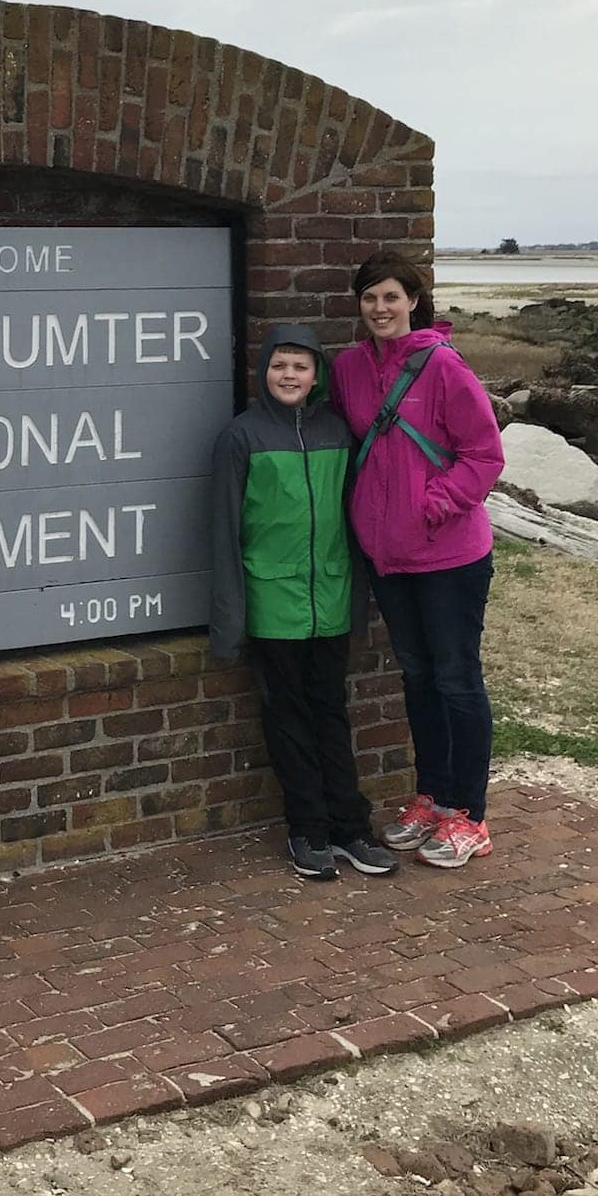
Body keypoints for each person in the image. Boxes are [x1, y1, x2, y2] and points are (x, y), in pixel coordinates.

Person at [330, 251, 504, 870]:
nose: (380, 308)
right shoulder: (349, 369)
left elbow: (484, 455)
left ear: (413, 301)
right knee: (419, 678)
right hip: (388, 556)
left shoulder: (444, 367)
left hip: (450, 554)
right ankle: (432, 799)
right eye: (370, 297)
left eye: (391, 297)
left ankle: (470, 815)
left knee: (457, 678)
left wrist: (433, 505)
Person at [210, 322, 395, 882]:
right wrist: (230, 618)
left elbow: (356, 518)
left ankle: (350, 828)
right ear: (264, 371)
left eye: (300, 366)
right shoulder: (240, 437)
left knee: (332, 714)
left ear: (317, 375)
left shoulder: (340, 433)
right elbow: (225, 532)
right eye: (279, 365)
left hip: (331, 598)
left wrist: (362, 596)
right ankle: (308, 828)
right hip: (273, 603)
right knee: (288, 720)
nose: (289, 375)